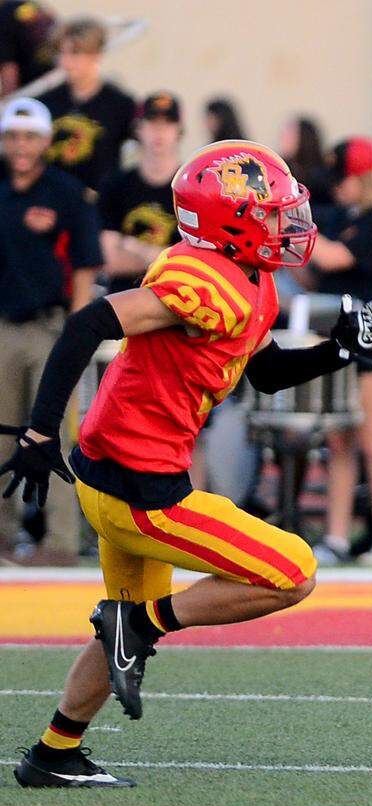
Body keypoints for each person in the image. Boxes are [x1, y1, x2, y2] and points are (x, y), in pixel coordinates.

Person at [4, 139, 372, 788]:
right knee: (294, 572)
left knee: (124, 624)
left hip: (125, 476)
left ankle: (53, 752)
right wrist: (38, 431)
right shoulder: (201, 282)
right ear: (232, 222)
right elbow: (88, 324)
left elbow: (266, 372)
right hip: (141, 491)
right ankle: (140, 623)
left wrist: (340, 351)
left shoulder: (252, 280)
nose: (289, 223)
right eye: (273, 212)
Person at [0, 97, 100, 564]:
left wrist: (75, 333)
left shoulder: (65, 193)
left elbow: (85, 265)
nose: (21, 146)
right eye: (13, 136)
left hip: (49, 327)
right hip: (3, 325)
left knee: (50, 430)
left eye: (30, 136)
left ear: (45, 142)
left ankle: (59, 540)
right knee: (2, 433)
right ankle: (2, 535)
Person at [306, 137, 372, 566]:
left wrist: (291, 229)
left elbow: (332, 260)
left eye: (343, 179)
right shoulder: (345, 218)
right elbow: (319, 277)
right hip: (339, 334)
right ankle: (338, 535)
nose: (337, 188)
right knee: (339, 437)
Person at [37, 17, 134, 193]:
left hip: (98, 206)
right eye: (61, 53)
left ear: (96, 54)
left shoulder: (121, 104)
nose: (65, 62)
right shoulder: (46, 102)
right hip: (52, 201)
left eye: (75, 53)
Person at [98, 92, 182, 294]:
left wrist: (133, 246)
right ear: (139, 129)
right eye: (152, 123)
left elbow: (191, 264)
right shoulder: (115, 185)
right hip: (122, 298)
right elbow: (109, 261)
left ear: (179, 130)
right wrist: (166, 257)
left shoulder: (192, 188)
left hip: (175, 300)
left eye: (167, 124)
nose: (159, 132)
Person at [0, 0, 55, 95]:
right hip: (56, 79)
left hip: (32, 88)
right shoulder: (31, 6)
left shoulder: (4, 14)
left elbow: (9, 67)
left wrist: (8, 102)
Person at [279, 115, 330, 206]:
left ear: (304, 139)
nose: (283, 138)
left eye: (290, 134)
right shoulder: (283, 170)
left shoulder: (320, 177)